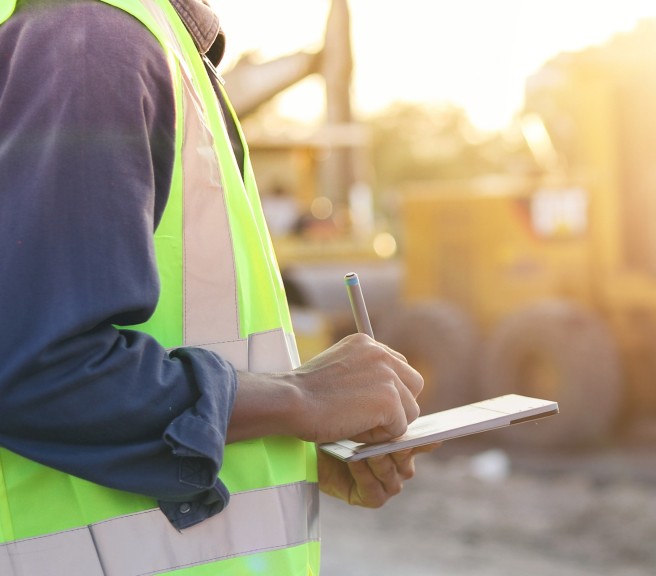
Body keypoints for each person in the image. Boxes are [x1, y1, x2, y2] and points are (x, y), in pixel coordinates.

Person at [0, 0, 434, 574]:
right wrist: (302, 397)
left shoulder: (140, 42)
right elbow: (39, 368)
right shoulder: (90, 40)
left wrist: (287, 440)